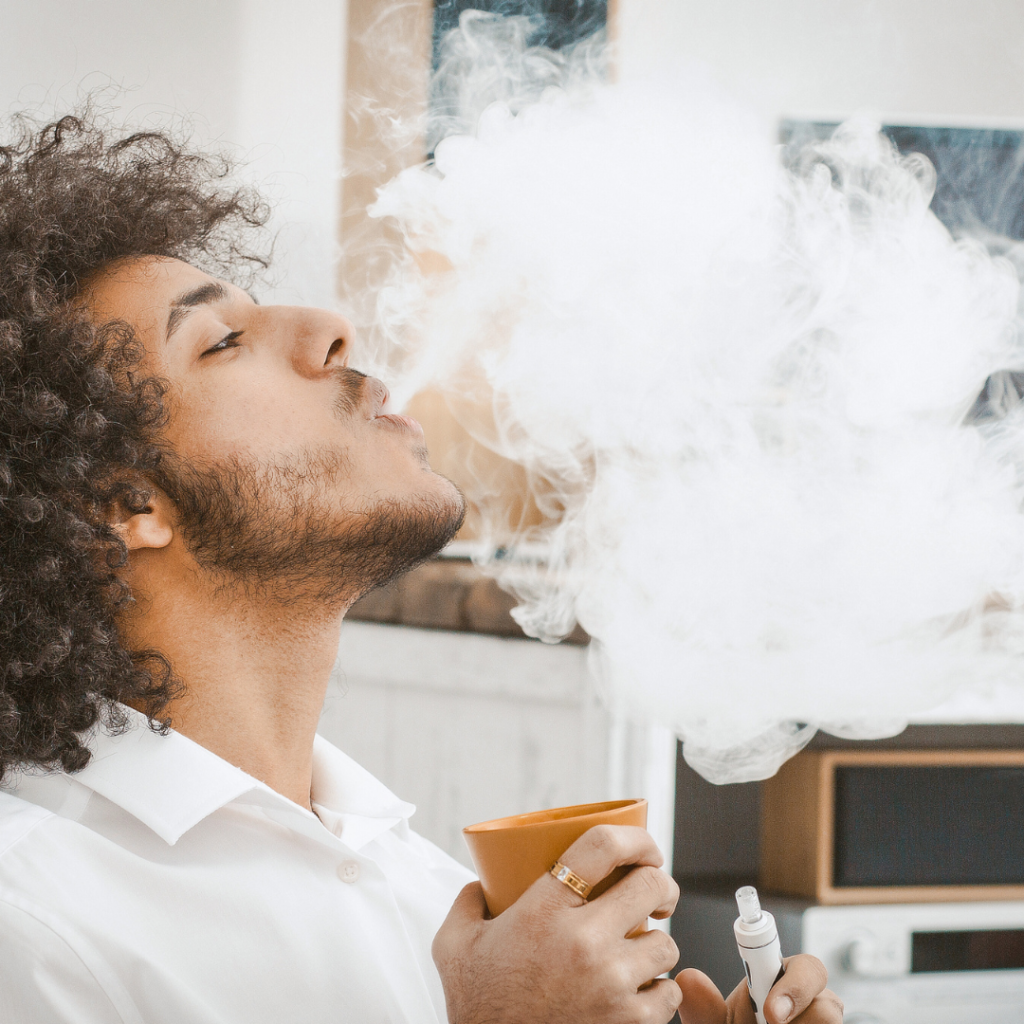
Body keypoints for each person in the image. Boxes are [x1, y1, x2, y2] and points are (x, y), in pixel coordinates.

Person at [0, 112, 843, 1024]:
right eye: (221, 341)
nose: (329, 329)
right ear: (127, 504)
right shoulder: (38, 920)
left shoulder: (415, 881)